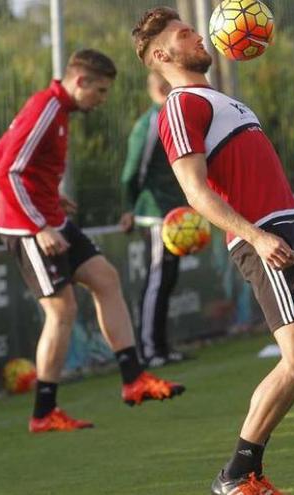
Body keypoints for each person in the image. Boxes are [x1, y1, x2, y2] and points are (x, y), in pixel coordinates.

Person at [132, 8, 294, 493]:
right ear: (162, 55)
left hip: (284, 230)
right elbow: (196, 191)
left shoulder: (224, 101)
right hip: (264, 239)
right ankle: (237, 475)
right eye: (184, 34)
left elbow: (257, 180)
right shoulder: (180, 105)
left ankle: (243, 473)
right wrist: (256, 236)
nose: (197, 36)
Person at [0, 49, 185, 434]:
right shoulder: (46, 109)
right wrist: (38, 225)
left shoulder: (56, 110)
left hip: (50, 216)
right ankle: (44, 412)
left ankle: (134, 380)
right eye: (100, 90)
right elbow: (7, 172)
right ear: (79, 81)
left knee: (106, 278)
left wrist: (50, 193)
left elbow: (1, 151)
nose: (102, 99)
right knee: (62, 310)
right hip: (26, 225)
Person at [119, 72, 189, 368]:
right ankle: (148, 350)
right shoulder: (150, 123)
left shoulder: (177, 117)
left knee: (168, 278)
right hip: (156, 214)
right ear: (163, 87)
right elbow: (132, 172)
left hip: (177, 213)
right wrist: (129, 208)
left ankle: (161, 346)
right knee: (158, 278)